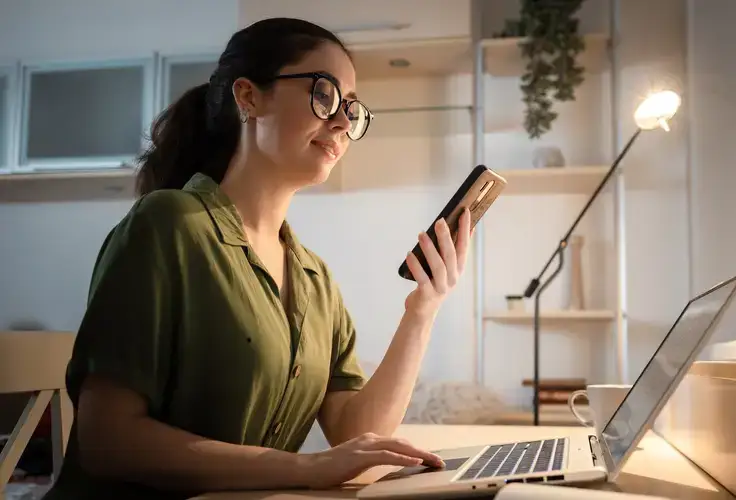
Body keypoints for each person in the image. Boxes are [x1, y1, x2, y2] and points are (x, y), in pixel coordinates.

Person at [43, 17, 472, 500]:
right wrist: (304, 468)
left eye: (350, 109)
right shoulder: (169, 225)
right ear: (248, 97)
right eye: (324, 94)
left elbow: (356, 434)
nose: (341, 122)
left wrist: (423, 309)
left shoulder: (315, 278)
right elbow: (109, 441)